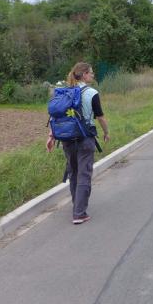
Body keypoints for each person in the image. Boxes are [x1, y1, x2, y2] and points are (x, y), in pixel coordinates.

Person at [46, 62, 110, 224]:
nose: (93, 75)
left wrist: (51, 136)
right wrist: (106, 132)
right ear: (84, 74)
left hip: (66, 139)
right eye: (91, 72)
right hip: (85, 138)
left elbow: (55, 116)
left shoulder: (64, 92)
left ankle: (77, 206)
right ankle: (79, 213)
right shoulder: (92, 93)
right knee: (84, 174)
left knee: (73, 173)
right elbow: (100, 116)